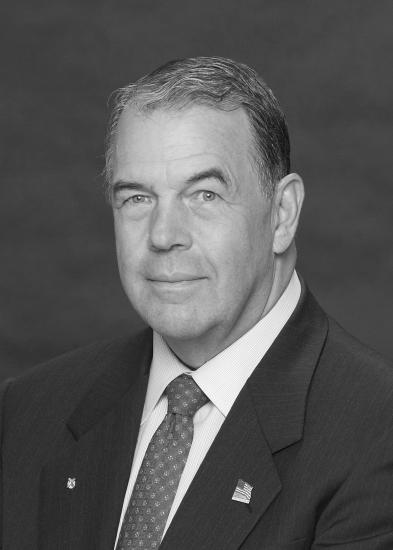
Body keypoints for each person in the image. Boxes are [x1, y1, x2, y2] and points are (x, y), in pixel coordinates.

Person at [1, 57, 392, 550]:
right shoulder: (29, 411)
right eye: (137, 198)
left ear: (282, 215)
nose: (164, 236)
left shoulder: (377, 434)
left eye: (204, 194)